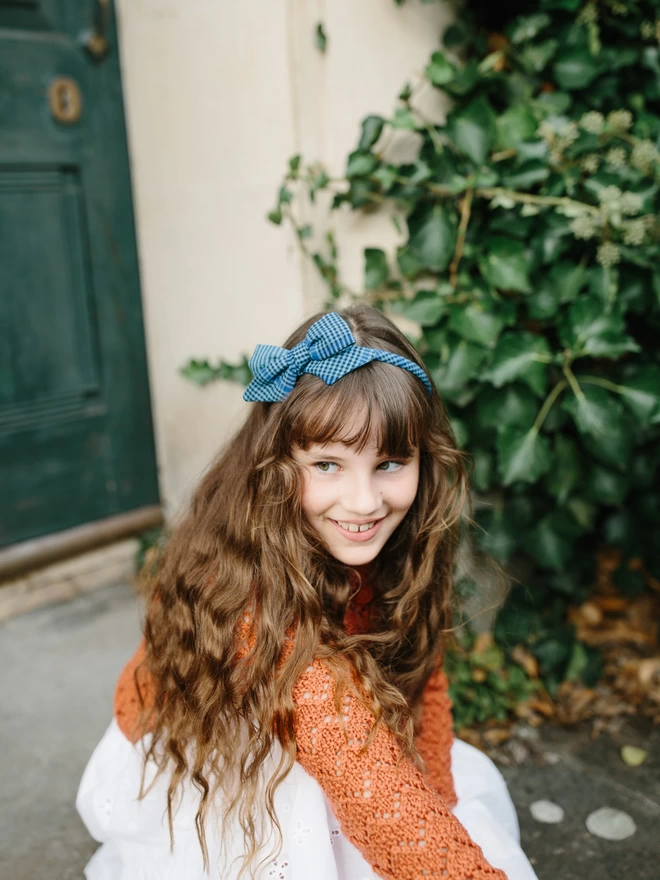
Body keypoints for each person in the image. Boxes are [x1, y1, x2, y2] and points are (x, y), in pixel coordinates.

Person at [77, 306, 538, 880]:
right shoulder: (253, 600)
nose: (365, 502)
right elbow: (372, 788)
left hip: (334, 728)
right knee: (328, 823)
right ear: (275, 464)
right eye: (327, 464)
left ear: (425, 458)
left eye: (390, 463)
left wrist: (440, 793)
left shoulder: (404, 540)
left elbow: (424, 675)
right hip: (220, 748)